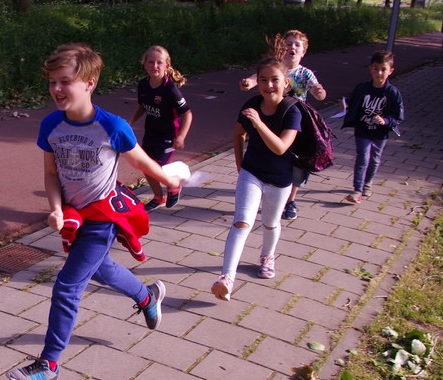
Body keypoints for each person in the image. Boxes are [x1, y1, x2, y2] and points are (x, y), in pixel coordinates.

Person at [6, 43, 181, 380]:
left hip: (104, 216)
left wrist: (168, 179)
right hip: (76, 215)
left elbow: (141, 161)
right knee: (102, 269)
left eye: (65, 81)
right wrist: (55, 208)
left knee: (67, 285)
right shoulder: (51, 125)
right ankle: (147, 296)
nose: (57, 89)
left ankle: (49, 366)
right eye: (52, 82)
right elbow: (51, 174)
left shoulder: (112, 126)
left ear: (89, 83)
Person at [212, 57, 301, 302]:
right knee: (242, 222)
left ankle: (267, 256)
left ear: (286, 83)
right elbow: (238, 134)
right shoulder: (251, 104)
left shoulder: (292, 111)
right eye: (263, 80)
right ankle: (227, 278)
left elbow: (281, 147)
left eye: (275, 80)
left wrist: (259, 123)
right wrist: (240, 164)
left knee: (270, 223)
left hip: (280, 179)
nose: (269, 85)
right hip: (252, 173)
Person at [239, 30, 326, 221]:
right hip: (274, 119)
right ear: (281, 48)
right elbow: (256, 78)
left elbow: (317, 91)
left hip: (296, 124)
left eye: (297, 45)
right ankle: (262, 190)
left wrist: (319, 92)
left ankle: (290, 200)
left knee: (297, 165)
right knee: (271, 157)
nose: (292, 47)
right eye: (288, 44)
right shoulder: (274, 68)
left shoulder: (305, 73)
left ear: (303, 52)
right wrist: (248, 83)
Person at [129, 45, 193, 211]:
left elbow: (187, 114)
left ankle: (174, 183)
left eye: (159, 62)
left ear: (167, 65)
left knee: (156, 167)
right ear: (144, 64)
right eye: (151, 62)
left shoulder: (170, 89)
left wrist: (181, 137)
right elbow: (142, 106)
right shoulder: (143, 85)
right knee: (145, 165)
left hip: (168, 136)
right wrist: (130, 122)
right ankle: (159, 197)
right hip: (151, 133)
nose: (155, 66)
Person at [341, 50, 404, 204]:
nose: (379, 73)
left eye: (383, 69)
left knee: (374, 159)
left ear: (390, 71)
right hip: (362, 129)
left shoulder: (392, 93)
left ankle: (367, 184)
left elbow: (398, 116)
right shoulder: (362, 88)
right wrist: (345, 105)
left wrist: (385, 121)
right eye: (376, 68)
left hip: (380, 133)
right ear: (370, 69)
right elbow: (353, 102)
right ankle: (357, 190)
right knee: (363, 157)